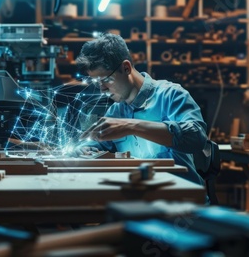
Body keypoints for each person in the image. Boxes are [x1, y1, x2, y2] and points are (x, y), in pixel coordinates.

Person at [74, 33, 208, 185]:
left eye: (106, 80)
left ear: (126, 68)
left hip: (183, 198)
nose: (102, 89)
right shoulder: (116, 111)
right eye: (97, 82)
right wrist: (84, 149)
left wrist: (132, 126)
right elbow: (97, 144)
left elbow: (196, 138)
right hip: (142, 198)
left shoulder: (171, 95)